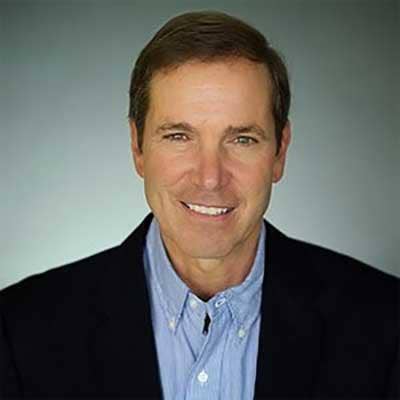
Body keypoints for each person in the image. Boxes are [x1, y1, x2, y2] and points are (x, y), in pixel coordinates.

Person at [0, 10, 398, 399]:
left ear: (280, 152)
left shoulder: (385, 323)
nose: (210, 177)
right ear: (138, 147)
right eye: (178, 136)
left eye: (242, 139)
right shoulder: (19, 331)